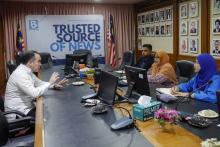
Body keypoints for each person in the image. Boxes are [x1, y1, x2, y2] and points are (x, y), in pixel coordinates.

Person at [4, 50, 69, 118]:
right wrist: (50, 83)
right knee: (51, 117)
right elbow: (34, 93)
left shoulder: (27, 71)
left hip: (27, 108)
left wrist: (54, 85)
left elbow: (39, 83)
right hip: (19, 114)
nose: (40, 64)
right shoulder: (20, 74)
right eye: (39, 61)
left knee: (50, 112)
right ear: (30, 63)